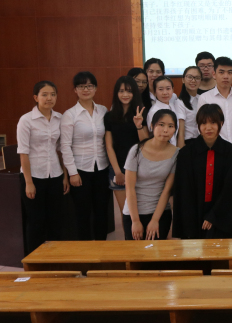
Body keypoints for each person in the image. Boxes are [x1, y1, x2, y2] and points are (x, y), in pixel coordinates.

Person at [172, 104, 232, 239]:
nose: (208, 127)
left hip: (221, 216)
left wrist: (214, 215)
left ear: (221, 123)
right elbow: (183, 190)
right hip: (192, 214)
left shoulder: (231, 153)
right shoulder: (186, 153)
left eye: (213, 122)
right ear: (198, 125)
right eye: (203, 123)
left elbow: (229, 188)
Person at [17, 81, 69, 253]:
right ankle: (34, 259)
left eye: (53, 94)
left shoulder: (59, 118)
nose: (49, 98)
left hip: (55, 175)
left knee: (56, 220)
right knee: (35, 221)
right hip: (34, 176)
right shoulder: (26, 120)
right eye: (44, 94)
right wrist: (28, 182)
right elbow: (23, 153)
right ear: (36, 97)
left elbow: (62, 150)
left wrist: (65, 176)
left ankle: (54, 258)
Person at [60, 71, 111, 241]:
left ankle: (101, 248)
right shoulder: (70, 115)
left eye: (89, 86)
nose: (86, 89)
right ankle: (86, 250)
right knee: (83, 213)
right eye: (81, 86)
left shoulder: (103, 111)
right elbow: (65, 146)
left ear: (95, 88)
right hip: (80, 171)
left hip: (102, 168)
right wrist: (72, 173)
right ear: (75, 90)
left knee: (102, 211)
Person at [122, 109, 178, 240]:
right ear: (152, 126)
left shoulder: (177, 154)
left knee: (156, 252)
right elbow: (129, 188)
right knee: (134, 252)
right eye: (161, 125)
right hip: (133, 213)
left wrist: (155, 220)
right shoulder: (136, 150)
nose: (165, 130)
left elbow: (167, 190)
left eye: (170, 126)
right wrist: (135, 221)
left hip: (160, 214)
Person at [104, 76, 147, 223]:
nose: (125, 94)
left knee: (141, 213)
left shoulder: (141, 113)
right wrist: (117, 172)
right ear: (116, 93)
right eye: (121, 91)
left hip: (139, 169)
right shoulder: (109, 116)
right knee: (126, 215)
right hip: (118, 169)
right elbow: (109, 146)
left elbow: (145, 143)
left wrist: (139, 125)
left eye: (129, 91)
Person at [199, 56, 232, 151]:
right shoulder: (204, 98)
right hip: (214, 151)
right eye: (221, 72)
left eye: (229, 72)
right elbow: (201, 126)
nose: (226, 76)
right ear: (214, 74)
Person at [148, 76, 184, 146]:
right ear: (155, 91)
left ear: (172, 90)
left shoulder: (172, 104)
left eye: (168, 89)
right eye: (161, 89)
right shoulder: (154, 111)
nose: (165, 93)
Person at [176, 66, 204, 142]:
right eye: (190, 77)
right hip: (188, 142)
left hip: (202, 141)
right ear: (183, 79)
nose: (193, 80)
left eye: (197, 78)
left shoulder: (202, 99)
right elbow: (181, 132)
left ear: (201, 81)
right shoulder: (179, 102)